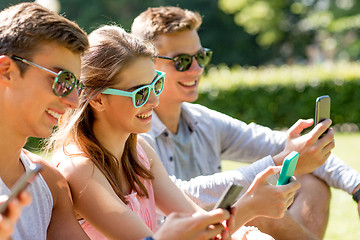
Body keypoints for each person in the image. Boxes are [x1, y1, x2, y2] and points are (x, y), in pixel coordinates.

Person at [49, 24, 300, 240]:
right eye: (140, 93)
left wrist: (249, 208)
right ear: (98, 100)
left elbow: (198, 223)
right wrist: (250, 207)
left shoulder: (139, 151)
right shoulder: (79, 169)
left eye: (155, 84)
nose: (154, 102)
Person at [131, 6, 360, 240]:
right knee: (254, 208)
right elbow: (185, 195)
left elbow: (282, 144)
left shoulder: (204, 121)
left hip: (223, 229)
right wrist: (279, 162)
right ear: (148, 64)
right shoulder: (136, 133)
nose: (197, 69)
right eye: (182, 61)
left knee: (312, 181)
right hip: (188, 234)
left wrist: (357, 187)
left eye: (201, 57)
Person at [0, 2, 91, 239]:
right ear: (6, 70)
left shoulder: (50, 184)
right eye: (62, 81)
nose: (73, 101)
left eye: (76, 86)